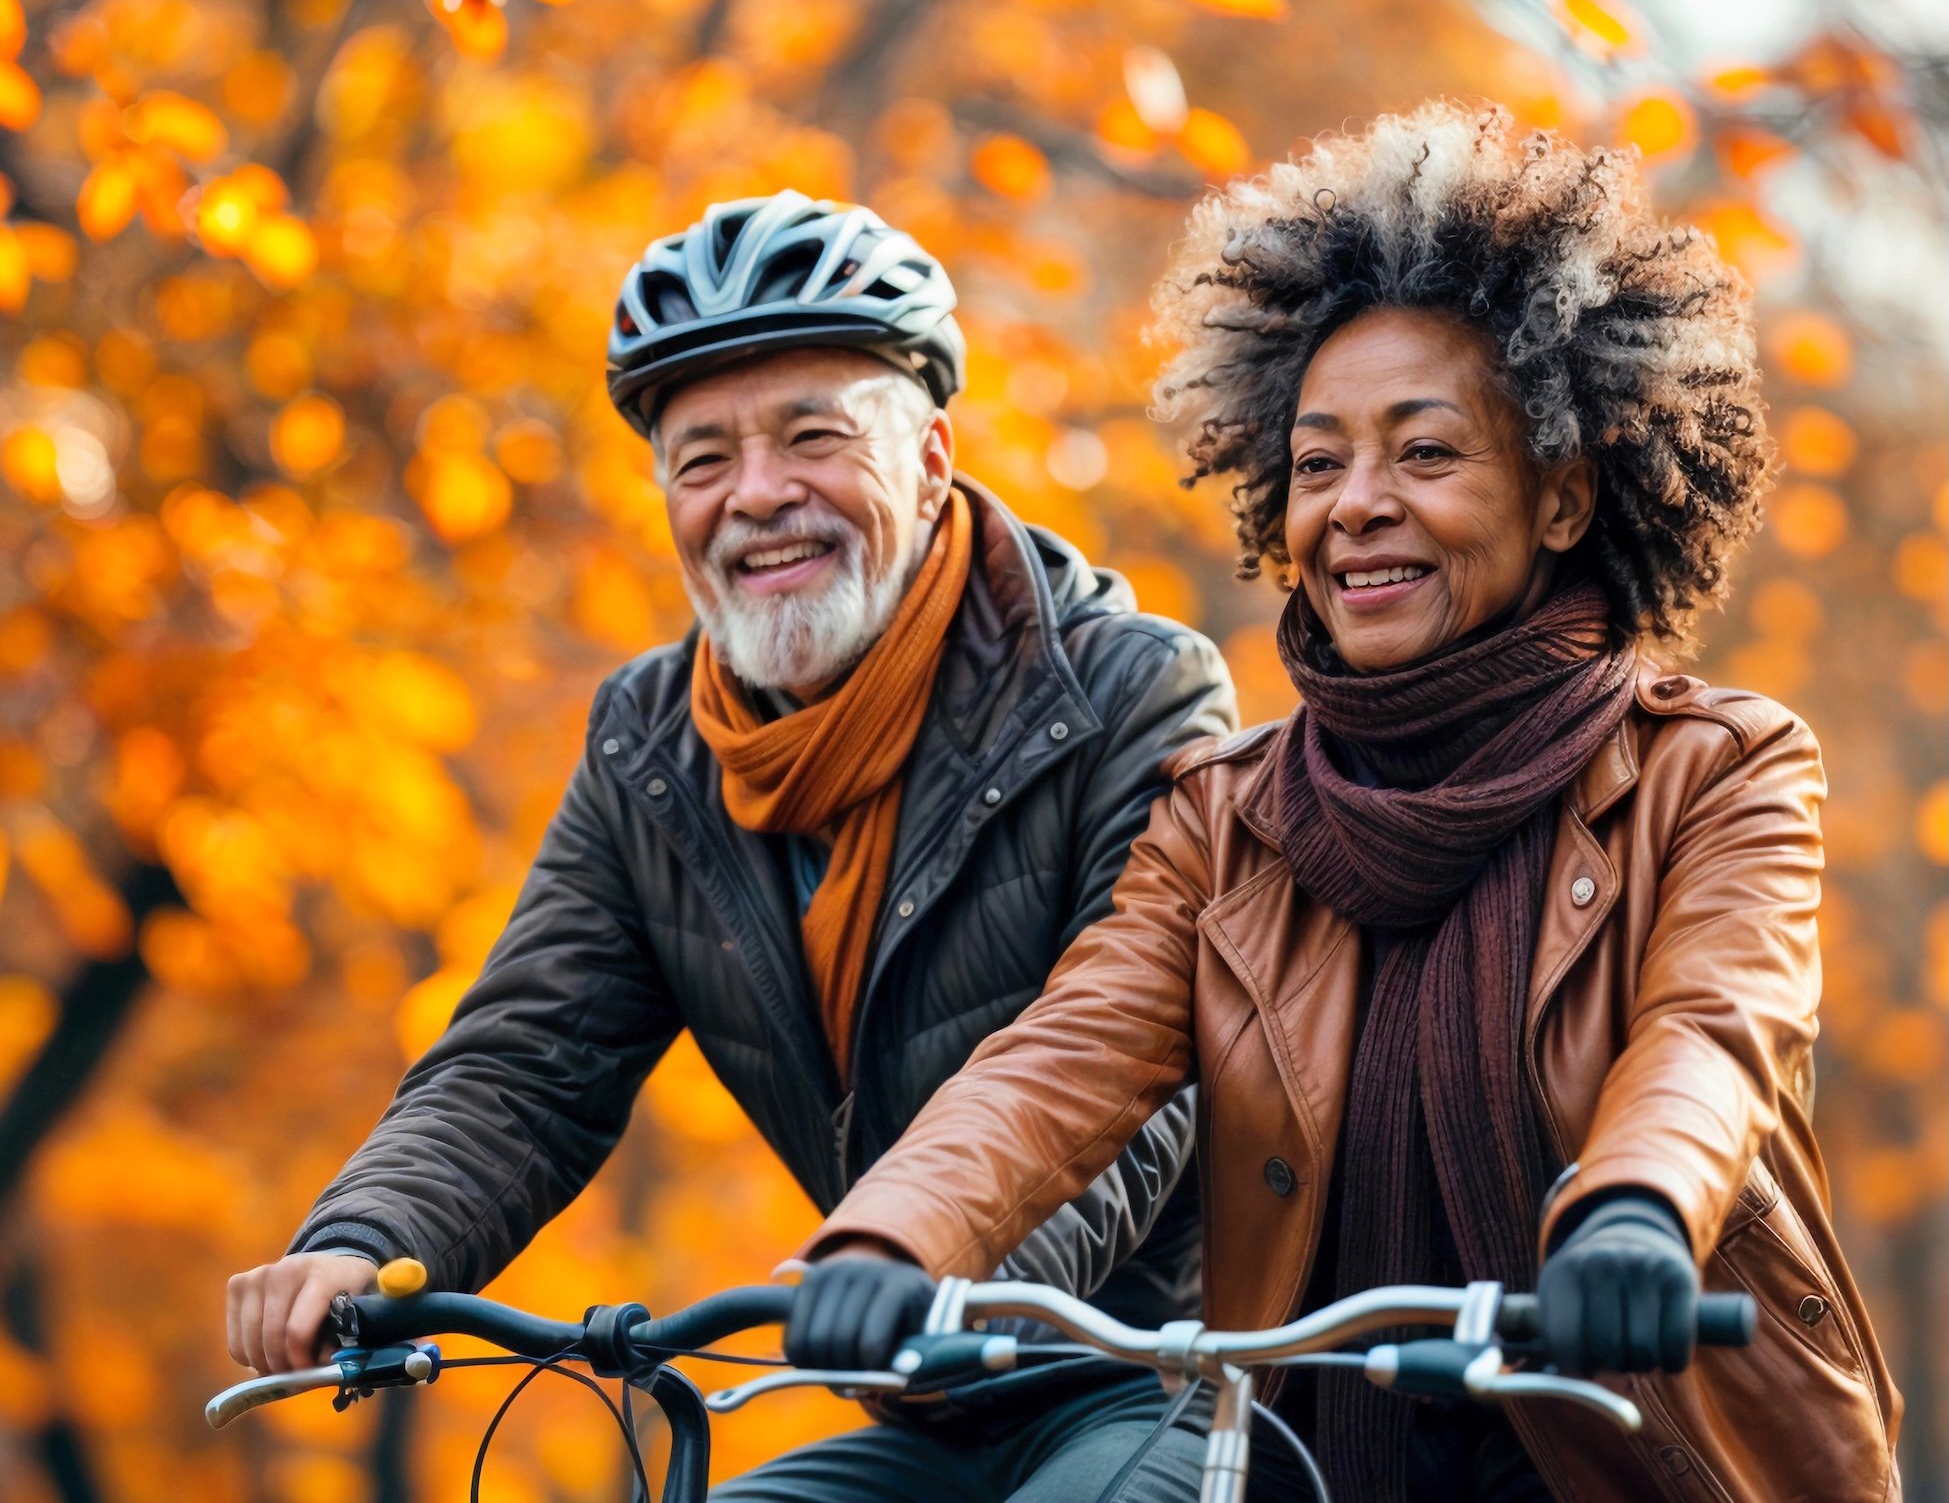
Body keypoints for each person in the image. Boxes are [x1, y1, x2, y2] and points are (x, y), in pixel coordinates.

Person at [789, 105, 1904, 1503]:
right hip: (1311, 1459)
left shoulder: (1716, 767)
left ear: (1560, 499)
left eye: (1424, 455)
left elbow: (1712, 1032)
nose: (1355, 504)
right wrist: (891, 1236)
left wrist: (1632, 1212)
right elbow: (1061, 1059)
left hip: (1647, 1452)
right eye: (1317, 463)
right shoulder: (1224, 814)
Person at [224, 192, 1237, 1501]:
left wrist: (922, 1265)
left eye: (812, 437)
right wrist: (364, 1244)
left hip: (1182, 1368)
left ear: (930, 458)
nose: (757, 496)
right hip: (932, 1396)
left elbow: (1143, 1070)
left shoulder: (1127, 689)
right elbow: (530, 1062)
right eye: (703, 460)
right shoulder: (652, 747)